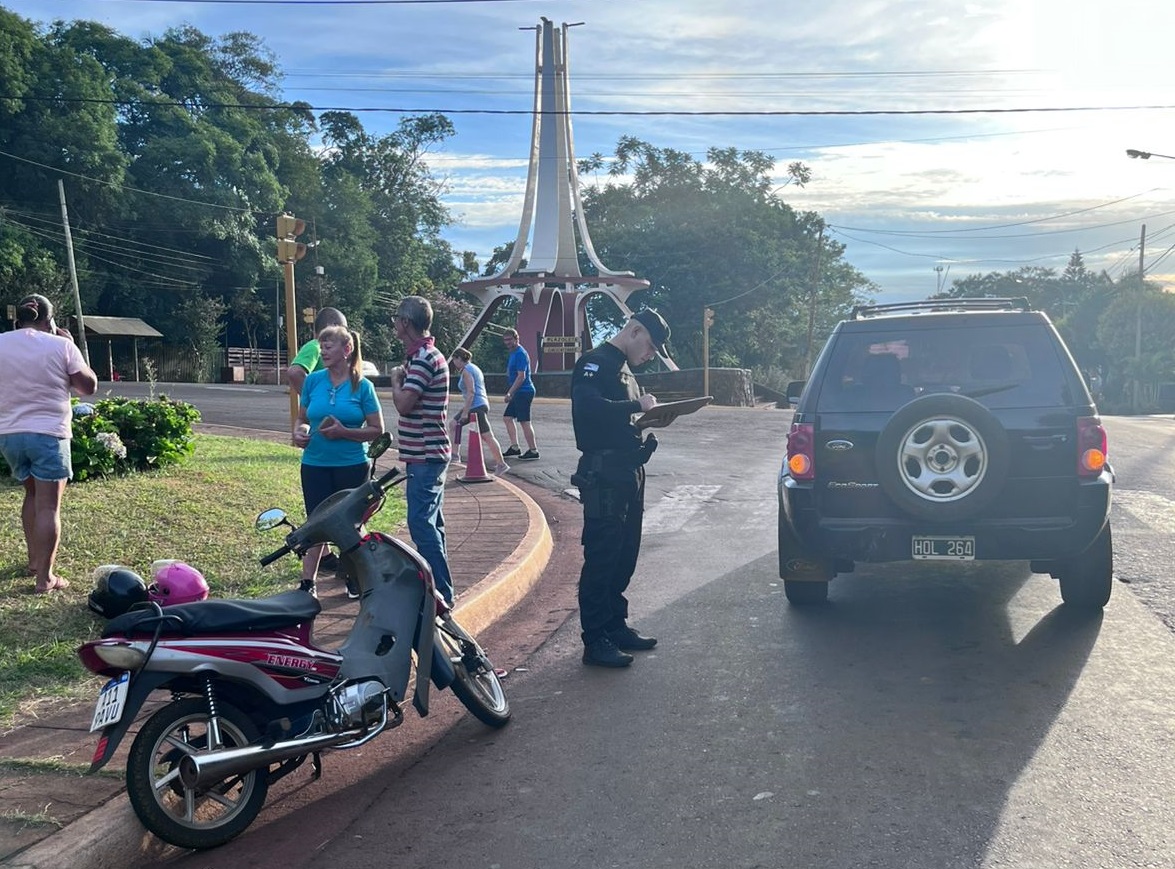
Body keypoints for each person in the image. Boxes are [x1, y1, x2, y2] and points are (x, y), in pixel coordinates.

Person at [570, 308, 671, 668]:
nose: (651, 354)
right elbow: (588, 407)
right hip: (604, 475)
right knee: (602, 557)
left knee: (625, 555)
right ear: (635, 330)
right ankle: (595, 639)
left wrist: (648, 420)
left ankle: (615, 625)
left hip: (628, 470)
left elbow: (621, 419)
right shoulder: (594, 362)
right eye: (651, 345)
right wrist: (637, 404)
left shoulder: (626, 370)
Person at [0, 294, 98, 594]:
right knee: (49, 507)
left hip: (9, 434)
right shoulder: (61, 345)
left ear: (18, 318)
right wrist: (73, 346)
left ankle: (33, 562)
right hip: (49, 434)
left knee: (31, 495)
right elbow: (88, 387)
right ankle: (45, 578)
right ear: (49, 319)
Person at [292, 325, 384, 596]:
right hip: (315, 464)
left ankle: (355, 577)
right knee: (316, 522)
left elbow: (377, 429)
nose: (323, 351)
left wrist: (344, 432)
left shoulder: (362, 386)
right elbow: (303, 418)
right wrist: (300, 432)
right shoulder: (313, 381)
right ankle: (307, 584)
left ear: (347, 350)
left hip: (352, 465)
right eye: (322, 346)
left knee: (351, 525)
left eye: (328, 346)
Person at [389, 296, 456, 604]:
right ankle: (442, 590)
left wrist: (395, 381)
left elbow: (404, 405)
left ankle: (441, 594)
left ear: (406, 323)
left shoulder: (424, 359)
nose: (394, 324)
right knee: (432, 524)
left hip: (426, 455)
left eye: (396, 319)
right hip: (430, 453)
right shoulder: (425, 356)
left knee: (421, 524)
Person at [287, 306, 348, 572]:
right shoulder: (315, 346)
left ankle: (324, 557)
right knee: (328, 508)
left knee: (329, 508)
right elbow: (294, 372)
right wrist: (316, 396)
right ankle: (323, 559)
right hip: (322, 455)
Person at [451, 347, 509, 474]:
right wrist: (465, 409)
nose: (454, 363)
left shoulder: (466, 371)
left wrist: (465, 412)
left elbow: (471, 392)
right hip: (478, 404)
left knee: (486, 435)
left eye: (454, 359)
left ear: (459, 359)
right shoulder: (474, 368)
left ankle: (501, 464)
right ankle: (455, 455)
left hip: (475, 406)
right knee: (455, 424)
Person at [287, 307, 348, 399]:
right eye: (344, 328)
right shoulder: (315, 346)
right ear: (333, 326)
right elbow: (295, 372)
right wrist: (315, 399)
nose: (346, 333)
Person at [501, 328, 539, 460]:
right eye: (505, 340)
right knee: (507, 418)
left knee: (524, 421)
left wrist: (510, 393)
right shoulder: (513, 353)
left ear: (516, 339)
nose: (507, 342)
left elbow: (521, 376)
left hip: (524, 391)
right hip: (518, 392)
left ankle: (533, 450)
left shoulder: (520, 353)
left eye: (510, 339)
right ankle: (515, 447)